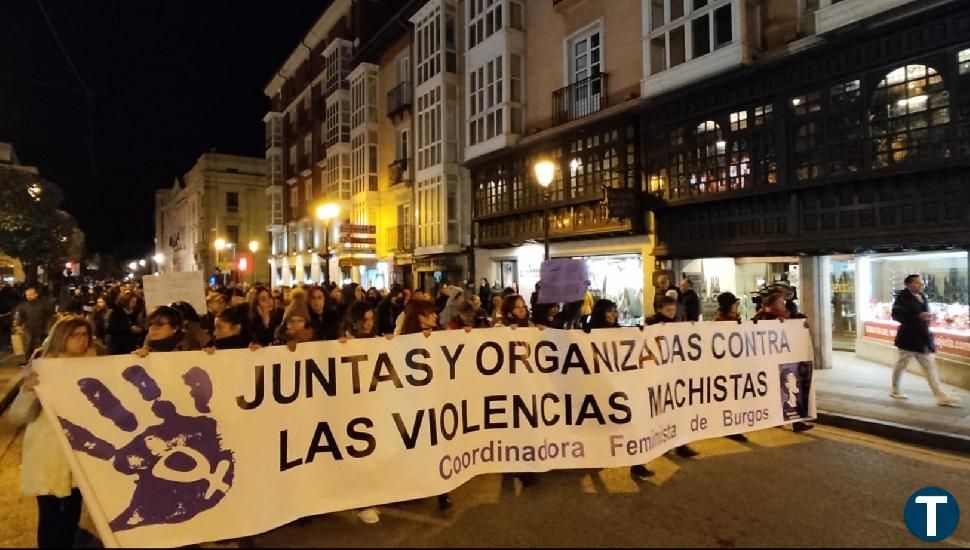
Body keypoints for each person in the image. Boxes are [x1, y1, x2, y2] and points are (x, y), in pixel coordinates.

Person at [9, 316, 103, 548]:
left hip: (83, 453)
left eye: (84, 335)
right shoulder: (44, 366)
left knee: (72, 512)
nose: (80, 341)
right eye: (74, 335)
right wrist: (28, 391)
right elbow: (20, 416)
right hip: (49, 455)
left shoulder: (98, 364)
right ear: (62, 336)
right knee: (50, 514)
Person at [398, 298, 454, 511]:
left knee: (437, 446)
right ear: (420, 316)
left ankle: (442, 492)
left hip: (436, 401)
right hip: (413, 405)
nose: (436, 316)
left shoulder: (440, 337)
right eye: (431, 313)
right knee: (416, 448)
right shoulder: (403, 341)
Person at [890, 274, 961, 407]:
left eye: (921, 283)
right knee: (901, 365)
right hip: (908, 339)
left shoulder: (922, 296)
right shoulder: (902, 298)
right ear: (908, 284)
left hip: (922, 338)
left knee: (929, 367)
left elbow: (923, 315)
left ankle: (940, 396)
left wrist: (932, 317)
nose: (921, 285)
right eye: (917, 283)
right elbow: (896, 315)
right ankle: (895, 389)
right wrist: (918, 317)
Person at [132, 306, 202, 356]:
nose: (152, 328)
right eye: (150, 324)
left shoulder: (192, 347)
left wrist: (208, 353)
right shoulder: (147, 350)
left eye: (160, 324)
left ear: (175, 328)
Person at [14, 287, 55, 357]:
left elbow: (50, 315)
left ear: (36, 294)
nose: (29, 297)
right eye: (27, 295)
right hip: (29, 327)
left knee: (42, 344)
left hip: (42, 327)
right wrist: (18, 325)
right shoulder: (23, 305)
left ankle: (42, 358)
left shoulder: (44, 304)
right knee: (29, 344)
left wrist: (49, 326)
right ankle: (28, 360)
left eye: (31, 294)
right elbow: (20, 316)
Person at [104, 291, 145, 355]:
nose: (134, 304)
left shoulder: (134, 312)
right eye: (132, 302)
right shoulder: (115, 312)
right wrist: (130, 329)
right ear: (125, 301)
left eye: (135, 302)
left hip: (129, 346)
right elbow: (110, 329)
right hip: (117, 346)